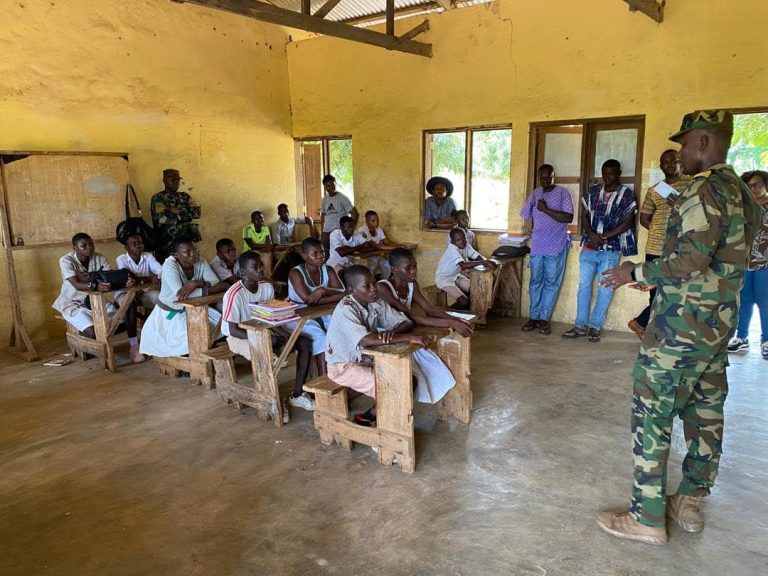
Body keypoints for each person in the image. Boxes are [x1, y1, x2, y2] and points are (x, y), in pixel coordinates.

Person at [597, 110, 761, 545]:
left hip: (680, 328)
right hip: (717, 324)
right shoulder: (743, 191)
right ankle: (688, 501)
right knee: (706, 414)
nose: (681, 154)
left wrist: (637, 270)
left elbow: (691, 259)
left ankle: (646, 518)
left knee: (653, 413)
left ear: (704, 142)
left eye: (686, 145)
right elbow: (750, 248)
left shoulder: (704, 190)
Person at [325, 265, 432, 426]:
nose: (373, 289)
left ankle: (369, 417)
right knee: (392, 388)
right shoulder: (345, 309)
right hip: (343, 366)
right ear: (352, 290)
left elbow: (405, 321)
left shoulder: (375, 302)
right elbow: (366, 340)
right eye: (366, 286)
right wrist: (408, 337)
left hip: (366, 358)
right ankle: (386, 432)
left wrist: (393, 334)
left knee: (410, 380)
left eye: (373, 283)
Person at [221, 251, 315, 416]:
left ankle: (298, 394)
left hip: (265, 330)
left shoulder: (266, 286)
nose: (261, 270)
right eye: (255, 267)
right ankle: (273, 403)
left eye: (261, 266)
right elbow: (232, 329)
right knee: (265, 352)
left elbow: (271, 316)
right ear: (243, 272)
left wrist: (284, 333)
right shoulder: (234, 294)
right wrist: (267, 338)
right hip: (238, 336)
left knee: (304, 342)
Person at [561, 159, 637, 343]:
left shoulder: (627, 195)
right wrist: (591, 234)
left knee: (605, 288)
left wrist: (605, 236)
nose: (608, 176)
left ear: (618, 173)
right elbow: (584, 215)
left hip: (611, 249)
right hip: (589, 246)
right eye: (605, 173)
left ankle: (595, 327)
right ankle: (580, 326)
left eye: (611, 173)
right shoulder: (593, 192)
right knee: (584, 287)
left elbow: (628, 221)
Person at [628, 150, 690, 340]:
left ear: (682, 162)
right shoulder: (655, 189)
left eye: (675, 160)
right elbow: (645, 218)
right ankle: (653, 332)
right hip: (655, 249)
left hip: (681, 249)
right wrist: (658, 231)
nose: (671, 164)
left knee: (676, 292)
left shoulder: (693, 184)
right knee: (654, 293)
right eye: (666, 161)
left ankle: (640, 322)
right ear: (661, 166)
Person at [139, 237, 228, 358]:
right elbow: (181, 295)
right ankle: (189, 360)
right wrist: (206, 288)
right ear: (177, 255)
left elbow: (214, 281)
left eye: (195, 250)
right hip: (171, 312)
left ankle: (206, 354)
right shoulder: (169, 265)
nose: (193, 254)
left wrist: (196, 283)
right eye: (187, 252)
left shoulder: (200, 260)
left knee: (217, 324)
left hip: (192, 309)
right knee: (187, 337)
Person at [519, 164, 574, 335]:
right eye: (541, 177)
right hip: (537, 245)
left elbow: (568, 217)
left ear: (554, 175)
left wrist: (545, 209)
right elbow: (525, 215)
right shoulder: (536, 193)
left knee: (551, 283)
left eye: (548, 177)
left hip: (556, 245)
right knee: (535, 282)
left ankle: (544, 319)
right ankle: (533, 317)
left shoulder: (563, 193)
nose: (544, 180)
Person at [287, 237, 346, 375]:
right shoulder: (296, 273)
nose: (320, 256)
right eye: (315, 254)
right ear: (304, 256)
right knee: (320, 338)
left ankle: (340, 373)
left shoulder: (328, 270)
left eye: (322, 252)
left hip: (322, 312)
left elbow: (343, 292)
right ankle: (323, 377)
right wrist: (322, 294)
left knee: (339, 331)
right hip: (298, 315)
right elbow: (309, 301)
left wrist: (323, 291)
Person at [53, 233, 125, 342]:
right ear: (74, 248)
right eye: (84, 246)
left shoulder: (99, 257)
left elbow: (109, 278)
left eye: (91, 244)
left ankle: (93, 340)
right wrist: (96, 285)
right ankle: (83, 338)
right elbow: (76, 285)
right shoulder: (66, 260)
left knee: (121, 322)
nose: (89, 248)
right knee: (93, 333)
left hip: (95, 301)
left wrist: (114, 282)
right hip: (72, 303)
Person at [727, 169, 768, 358]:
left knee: (765, 302)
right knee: (744, 301)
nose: (753, 189)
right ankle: (741, 338)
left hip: (765, 263)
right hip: (743, 262)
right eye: (748, 186)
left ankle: (766, 340)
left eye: (757, 185)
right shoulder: (740, 207)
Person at [115, 233, 163, 363]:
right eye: (134, 243)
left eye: (140, 243)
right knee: (130, 305)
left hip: (143, 292)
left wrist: (156, 277)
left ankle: (153, 339)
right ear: (126, 247)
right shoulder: (121, 259)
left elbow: (161, 271)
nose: (138, 245)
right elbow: (127, 277)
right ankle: (134, 346)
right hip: (125, 293)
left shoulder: (147, 256)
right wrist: (148, 278)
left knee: (160, 299)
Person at [435, 228, 497, 309]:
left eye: (463, 238)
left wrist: (488, 263)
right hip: (444, 279)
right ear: (452, 242)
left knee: (476, 290)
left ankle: (471, 313)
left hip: (456, 276)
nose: (462, 241)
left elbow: (477, 256)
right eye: (458, 240)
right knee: (464, 302)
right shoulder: (452, 249)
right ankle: (448, 313)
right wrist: (485, 262)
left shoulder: (466, 245)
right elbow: (463, 265)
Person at [150, 168, 201, 262]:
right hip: (168, 244)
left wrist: (175, 212)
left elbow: (197, 213)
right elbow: (162, 219)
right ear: (164, 180)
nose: (176, 182)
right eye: (172, 180)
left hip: (187, 241)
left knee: (192, 266)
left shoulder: (184, 196)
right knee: (172, 269)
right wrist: (185, 212)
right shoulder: (158, 198)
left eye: (178, 180)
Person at [320, 174, 358, 256]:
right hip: (326, 232)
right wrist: (322, 230)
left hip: (338, 231)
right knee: (325, 255)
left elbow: (354, 214)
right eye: (328, 186)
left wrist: (348, 229)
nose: (332, 187)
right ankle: (326, 268)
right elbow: (323, 215)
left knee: (339, 255)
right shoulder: (324, 200)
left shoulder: (342, 198)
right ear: (325, 187)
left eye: (333, 184)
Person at [358, 210, 398, 279]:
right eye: (373, 221)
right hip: (366, 257)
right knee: (371, 269)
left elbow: (387, 241)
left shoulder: (379, 229)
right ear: (367, 222)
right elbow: (376, 246)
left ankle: (383, 283)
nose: (376, 222)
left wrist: (397, 245)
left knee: (387, 265)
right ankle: (370, 285)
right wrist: (395, 248)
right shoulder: (363, 231)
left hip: (376, 256)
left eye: (377, 220)